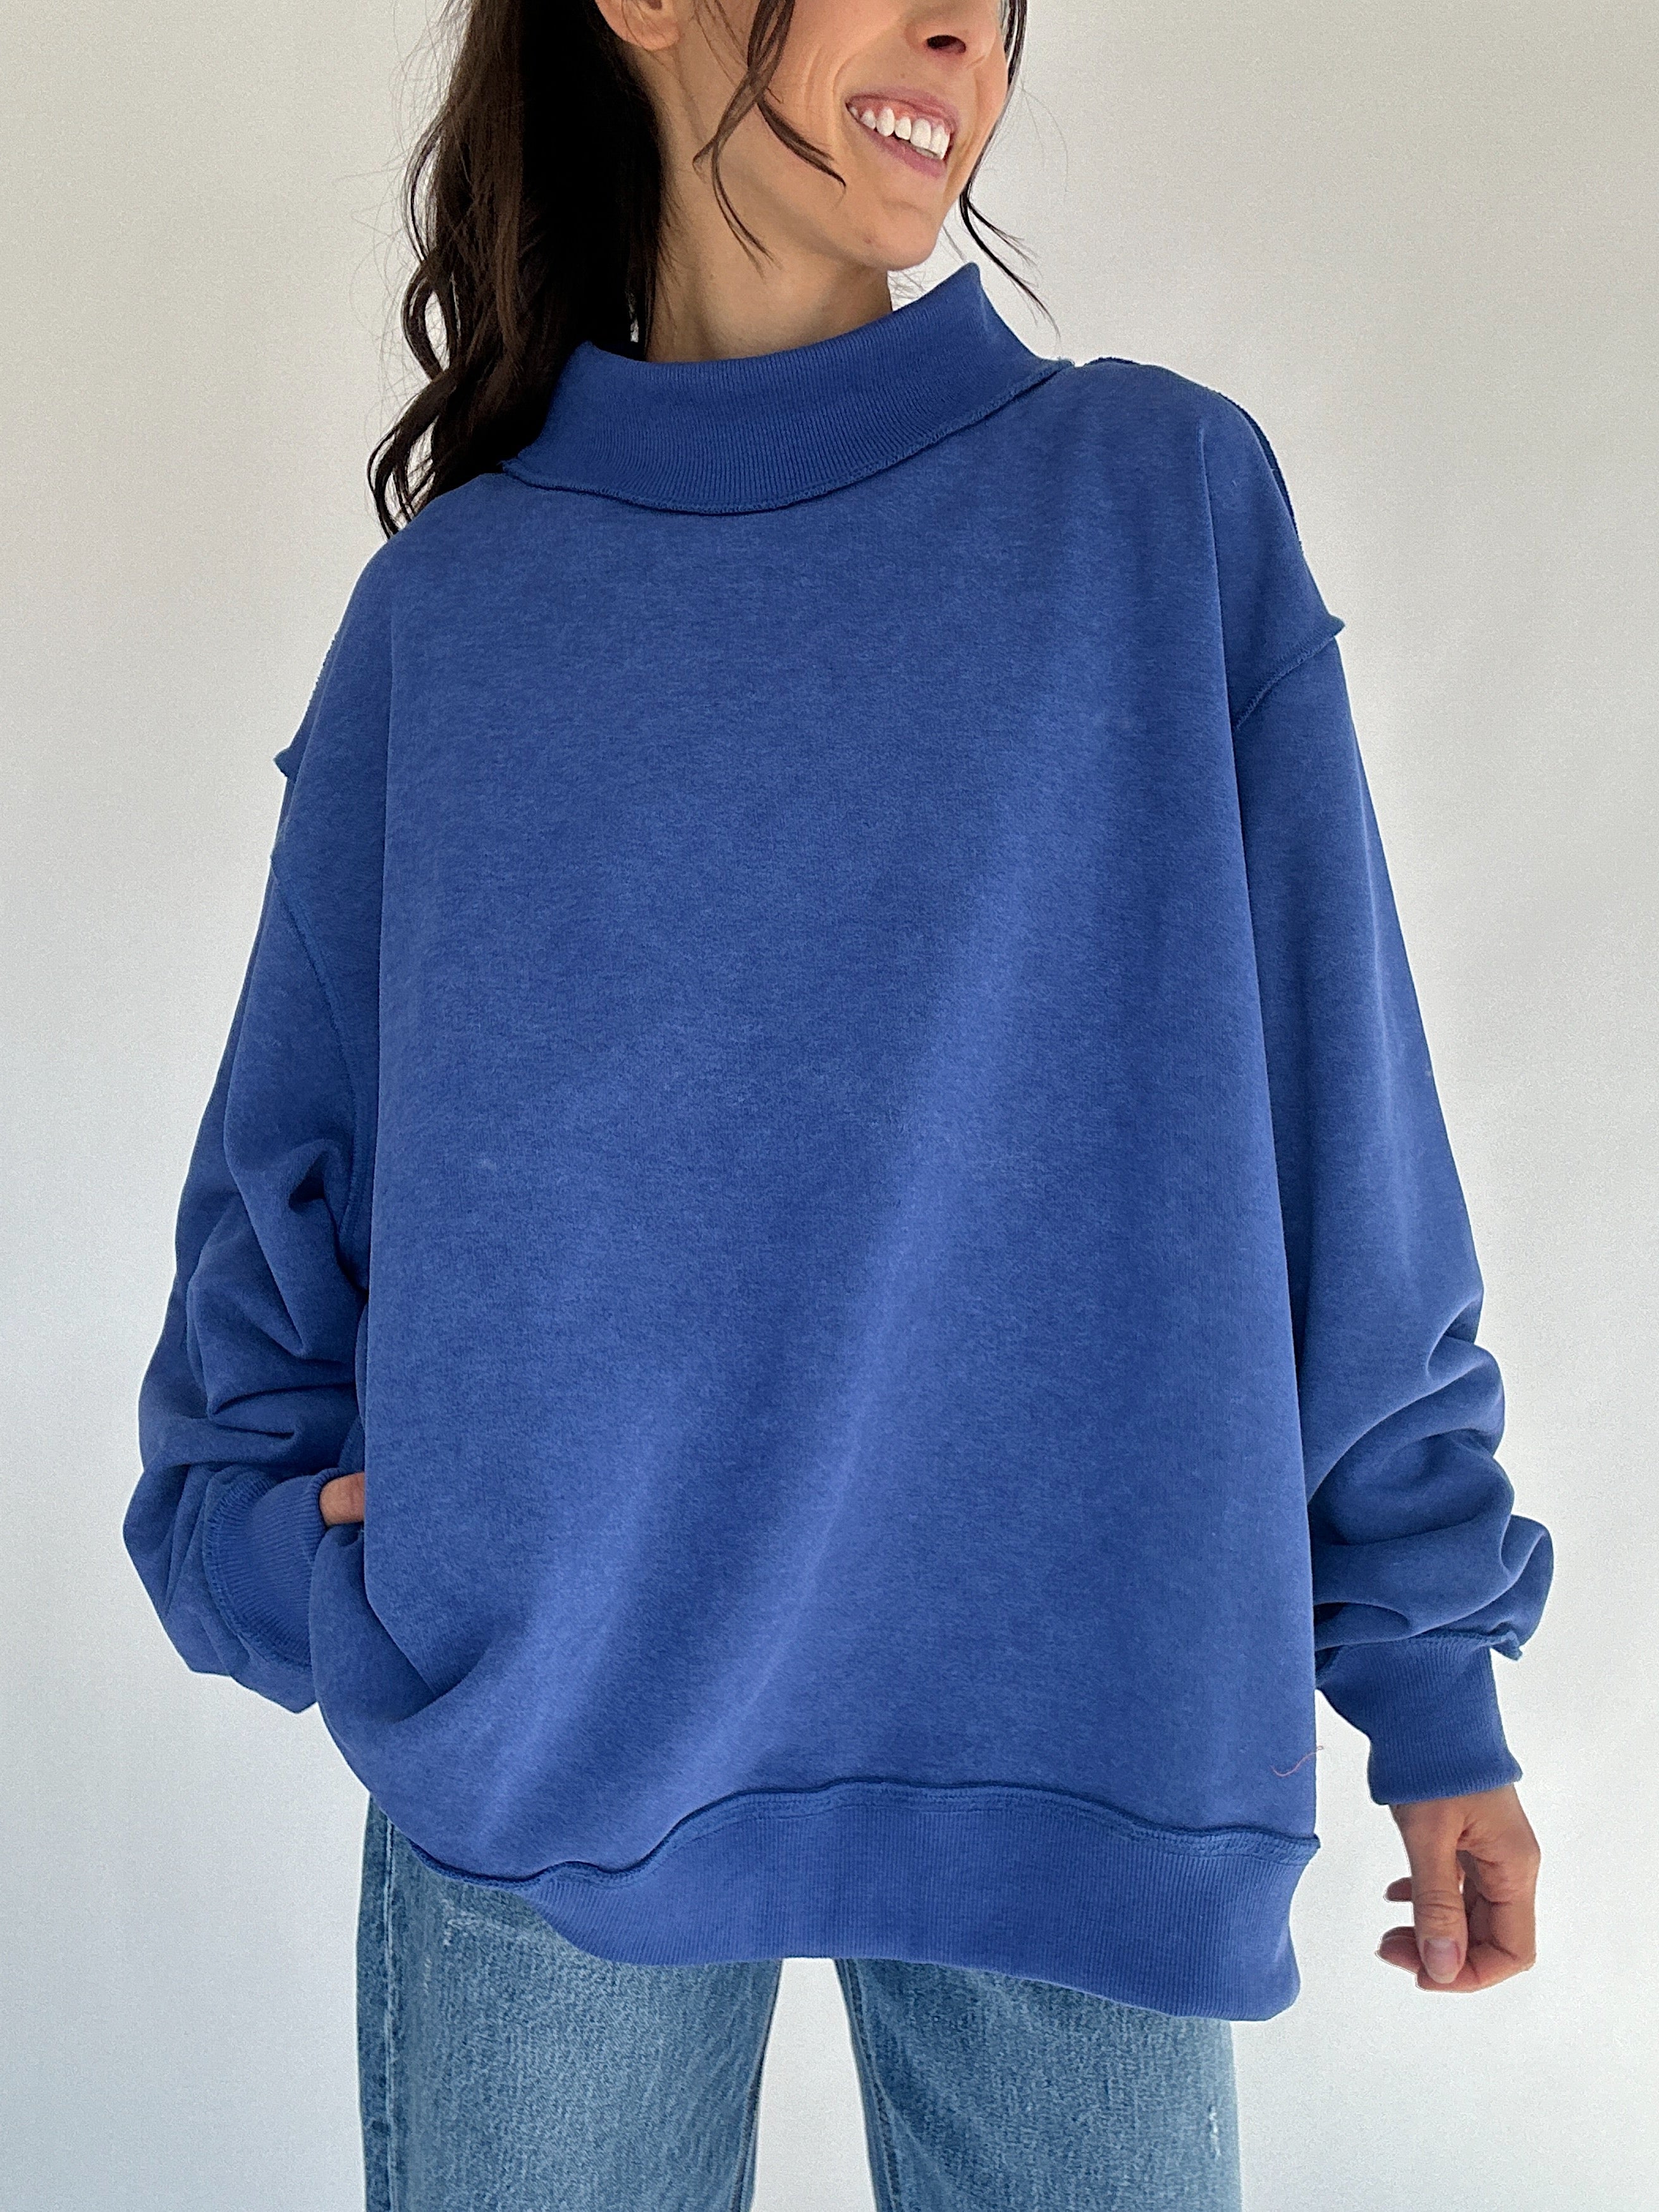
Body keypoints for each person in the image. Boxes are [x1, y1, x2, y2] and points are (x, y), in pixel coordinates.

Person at [123, 1, 1555, 2205]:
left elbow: (1343, 1134)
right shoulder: (459, 616)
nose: (964, 22)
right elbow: (276, 1209)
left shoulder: (1157, 507)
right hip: (545, 1746)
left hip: (1080, 1729)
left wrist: (1431, 1666)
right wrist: (295, 1559)